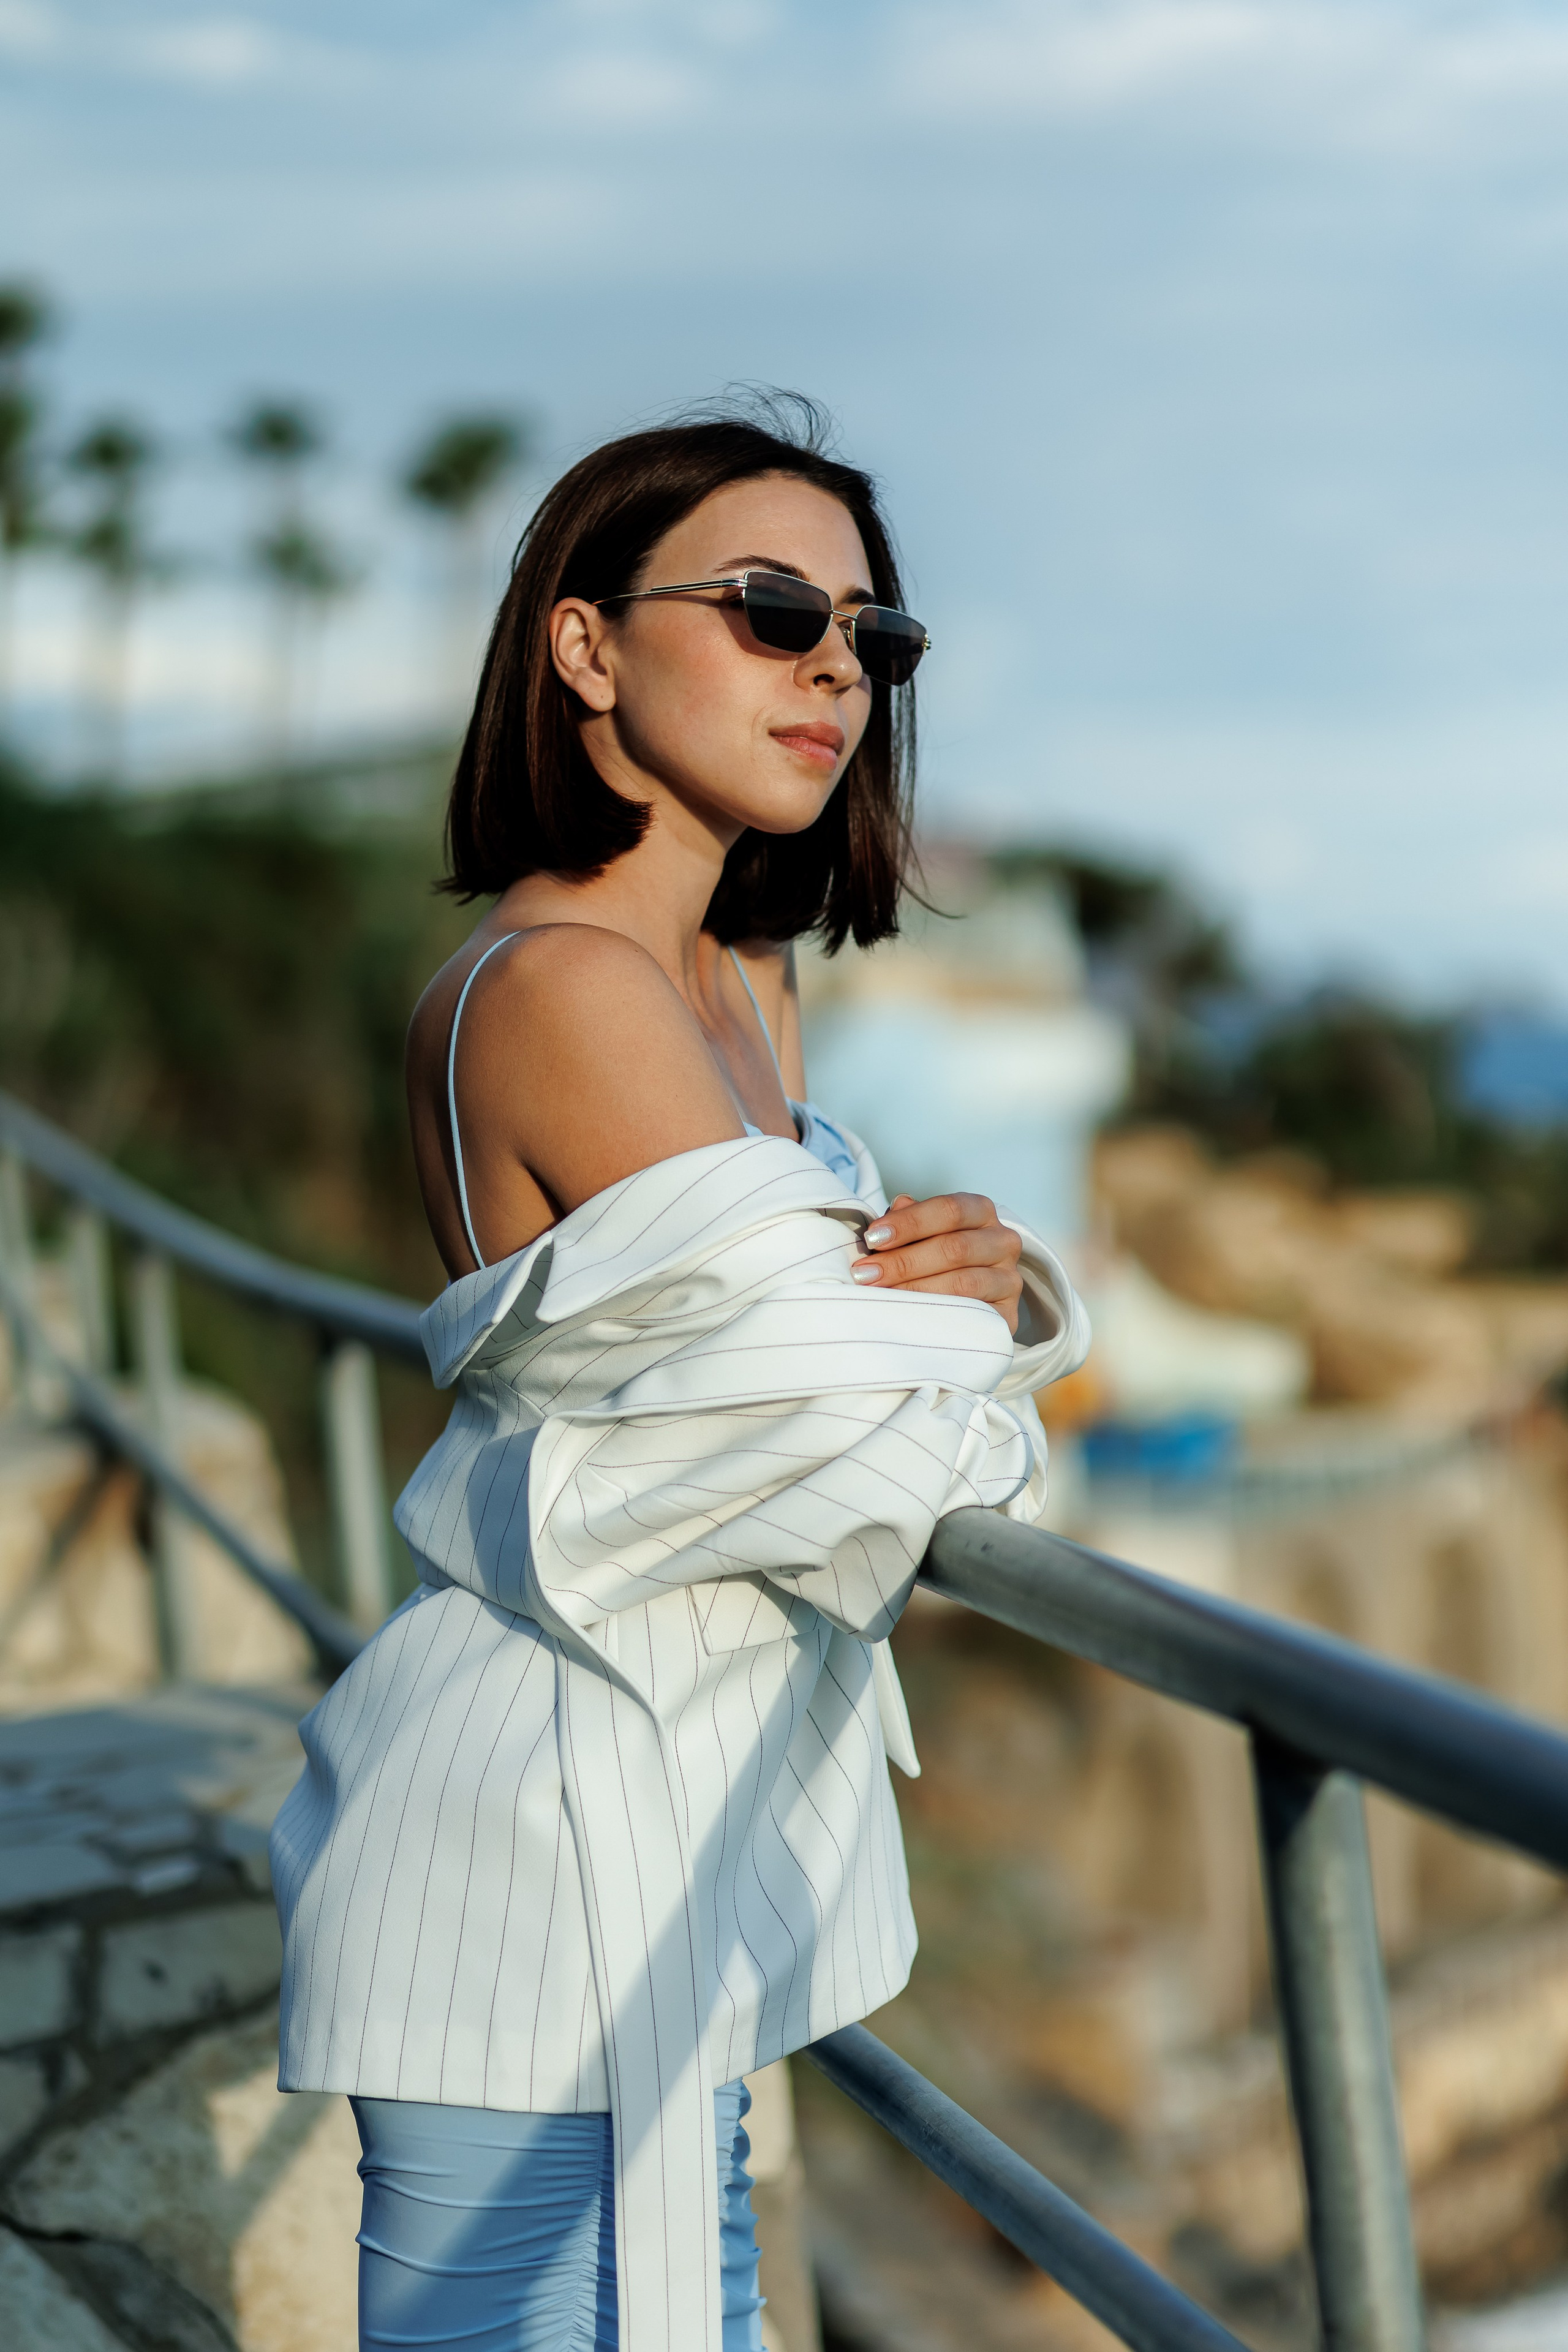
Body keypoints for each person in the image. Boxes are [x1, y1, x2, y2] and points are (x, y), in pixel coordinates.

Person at [269, 397, 1090, 2352]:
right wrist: (1000, 1325)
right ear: (583, 647)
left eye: (872, 640)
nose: (836, 668)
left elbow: (863, 1408)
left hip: (677, 1856)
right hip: (531, 1869)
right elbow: (876, 1449)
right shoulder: (561, 990)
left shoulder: (739, 987)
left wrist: (988, 1307)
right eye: (771, 606)